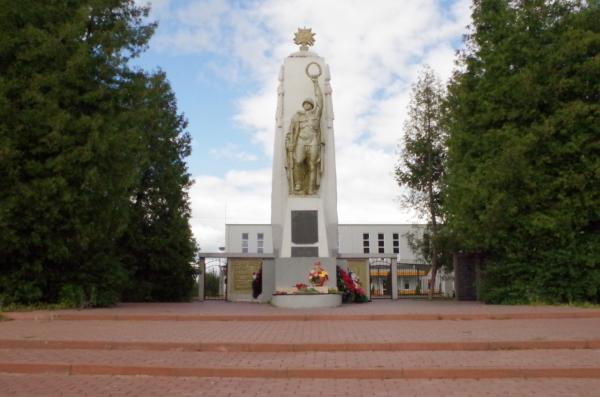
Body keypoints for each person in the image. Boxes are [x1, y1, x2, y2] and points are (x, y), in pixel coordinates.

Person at [286, 67, 324, 195]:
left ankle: (311, 188)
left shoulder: (316, 114)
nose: (306, 105)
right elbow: (292, 131)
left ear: (312, 106)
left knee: (312, 165)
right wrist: (290, 142)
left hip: (313, 142)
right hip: (301, 142)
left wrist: (315, 83)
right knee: (298, 161)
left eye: (309, 104)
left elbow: (320, 101)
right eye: (305, 104)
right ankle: (298, 183)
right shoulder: (298, 117)